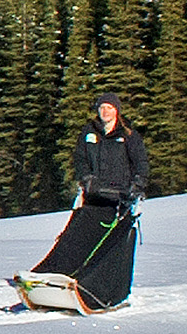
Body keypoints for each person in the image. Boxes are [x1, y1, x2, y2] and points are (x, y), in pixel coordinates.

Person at [31, 97, 150, 308]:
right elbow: (80, 159)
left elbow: (140, 162)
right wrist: (86, 178)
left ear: (117, 111)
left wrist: (137, 185)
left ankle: (97, 287)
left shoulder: (129, 135)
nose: (105, 111)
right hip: (93, 198)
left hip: (119, 200)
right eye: (102, 107)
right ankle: (52, 275)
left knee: (110, 244)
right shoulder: (89, 133)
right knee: (76, 237)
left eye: (109, 108)